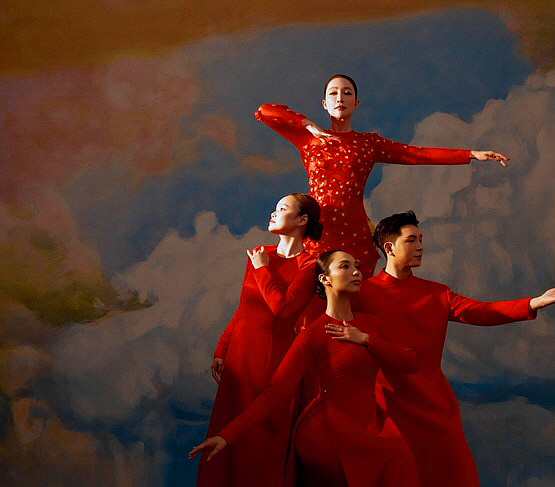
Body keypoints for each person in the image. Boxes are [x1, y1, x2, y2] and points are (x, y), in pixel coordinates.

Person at [357, 211, 555, 487]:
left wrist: (535, 302)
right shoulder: (362, 294)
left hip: (434, 408)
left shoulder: (437, 293)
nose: (420, 246)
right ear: (389, 247)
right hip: (386, 408)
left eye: (421, 239)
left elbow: (481, 311)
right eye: (411, 240)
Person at [190, 250, 420, 487]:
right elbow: (275, 392)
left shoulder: (373, 325)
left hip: (371, 425)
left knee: (399, 460)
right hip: (327, 428)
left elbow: (410, 362)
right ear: (324, 278)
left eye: (357, 266)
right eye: (345, 266)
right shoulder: (313, 334)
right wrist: (226, 436)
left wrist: (365, 339)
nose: (356, 272)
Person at [255, 73, 509, 277]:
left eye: (347, 93)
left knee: (354, 306)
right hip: (317, 232)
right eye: (333, 93)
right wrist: (307, 124)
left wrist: (470, 154)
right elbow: (265, 112)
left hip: (354, 232)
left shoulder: (368, 143)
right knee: (312, 305)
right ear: (324, 104)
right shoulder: (309, 140)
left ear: (357, 103)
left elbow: (416, 154)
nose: (340, 98)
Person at [196, 193, 322, 487]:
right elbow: (244, 308)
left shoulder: (310, 264)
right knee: (228, 433)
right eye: (275, 208)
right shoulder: (259, 253)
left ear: (302, 220)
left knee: (262, 439)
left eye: (282, 209)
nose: (273, 213)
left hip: (273, 359)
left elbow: (283, 310)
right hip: (240, 356)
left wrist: (262, 269)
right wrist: (222, 347)